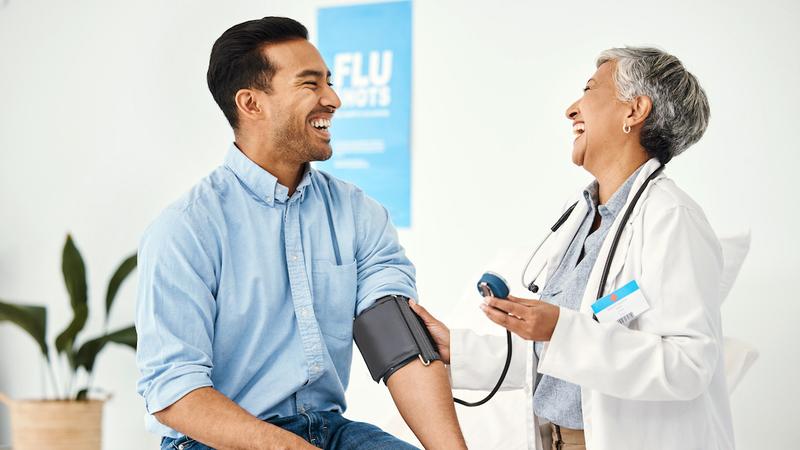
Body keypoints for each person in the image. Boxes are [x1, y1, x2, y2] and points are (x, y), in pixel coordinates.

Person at [135, 17, 466, 450]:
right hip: (215, 440)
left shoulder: (358, 214)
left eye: (329, 82)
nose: (334, 99)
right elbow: (173, 391)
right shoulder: (186, 229)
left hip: (329, 430)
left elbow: (399, 345)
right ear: (251, 104)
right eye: (311, 85)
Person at [411, 47, 735, 450]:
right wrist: (457, 349)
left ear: (634, 111)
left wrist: (560, 329)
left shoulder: (673, 218)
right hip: (559, 441)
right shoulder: (580, 217)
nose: (571, 109)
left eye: (589, 89)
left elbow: (688, 365)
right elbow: (560, 356)